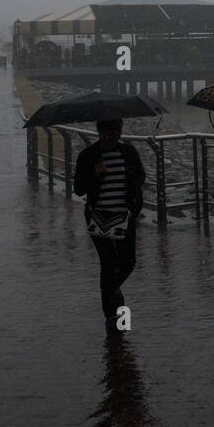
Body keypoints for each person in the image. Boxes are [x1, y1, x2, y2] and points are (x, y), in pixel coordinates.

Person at [73, 118, 146, 328]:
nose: (114, 133)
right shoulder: (88, 155)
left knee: (128, 262)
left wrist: (133, 196)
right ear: (100, 130)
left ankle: (111, 291)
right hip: (99, 216)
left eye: (118, 129)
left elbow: (140, 176)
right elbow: (78, 188)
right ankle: (111, 315)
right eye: (109, 129)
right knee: (108, 264)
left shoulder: (129, 152)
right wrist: (94, 174)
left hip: (125, 215)